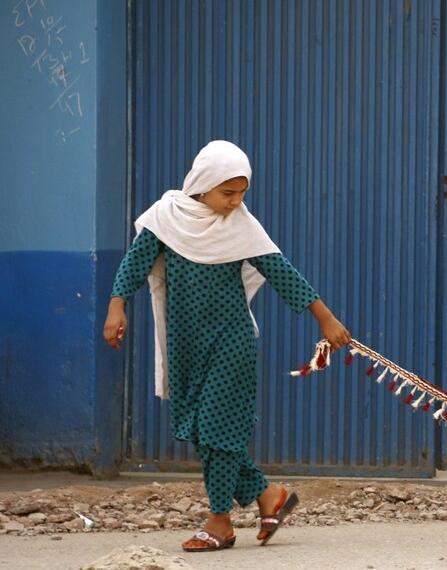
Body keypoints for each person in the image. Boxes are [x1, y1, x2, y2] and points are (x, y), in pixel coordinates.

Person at [103, 140, 351, 552]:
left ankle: (220, 521)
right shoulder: (165, 218)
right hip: (183, 343)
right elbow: (135, 262)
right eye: (227, 193)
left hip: (231, 342)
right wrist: (117, 306)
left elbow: (281, 271)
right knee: (200, 430)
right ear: (202, 186)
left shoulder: (241, 226)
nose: (236, 202)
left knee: (219, 429)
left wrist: (325, 317)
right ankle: (270, 495)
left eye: (241, 194)